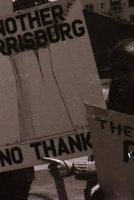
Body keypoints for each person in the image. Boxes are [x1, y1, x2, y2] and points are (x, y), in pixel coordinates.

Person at [44, 38, 134, 199]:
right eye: (115, 70)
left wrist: (76, 168)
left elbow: (128, 160)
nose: (119, 76)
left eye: (126, 69)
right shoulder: (107, 107)